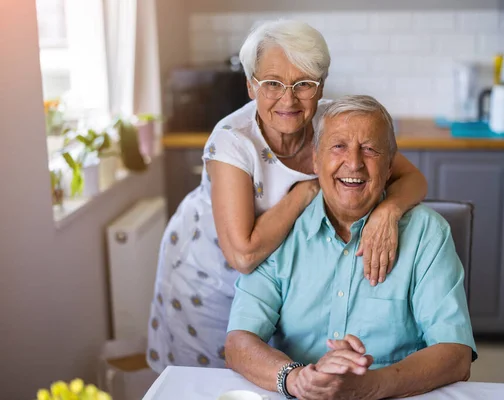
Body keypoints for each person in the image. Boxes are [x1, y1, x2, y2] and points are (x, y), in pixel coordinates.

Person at [147, 20, 428, 373]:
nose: (288, 98)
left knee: (279, 378)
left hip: (278, 286)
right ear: (251, 86)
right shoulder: (233, 140)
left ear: (321, 85)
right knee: (216, 384)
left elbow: (413, 179)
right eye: (272, 84)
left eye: (303, 84)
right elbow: (243, 254)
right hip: (209, 282)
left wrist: (387, 212)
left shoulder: (334, 124)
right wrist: (306, 191)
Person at [225, 95, 477, 400]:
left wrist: (370, 386)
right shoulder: (282, 230)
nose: (354, 163)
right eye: (338, 146)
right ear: (316, 160)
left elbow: (455, 354)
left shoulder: (427, 233)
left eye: (370, 149)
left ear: (388, 168)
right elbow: (239, 341)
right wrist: (295, 379)